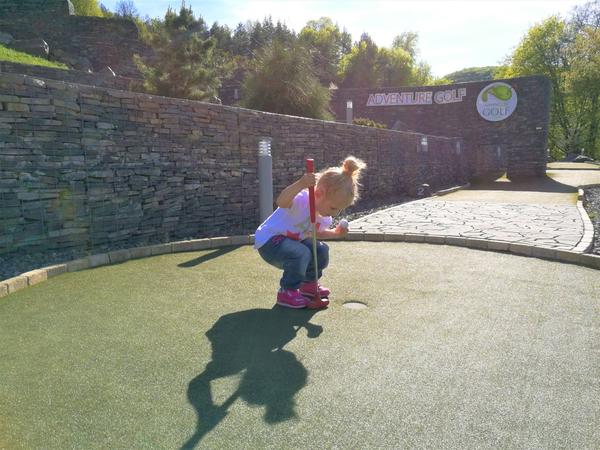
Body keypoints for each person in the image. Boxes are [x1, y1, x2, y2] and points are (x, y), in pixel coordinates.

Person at [254, 156, 366, 309]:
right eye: (333, 208)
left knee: (320, 250)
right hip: (269, 242)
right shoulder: (302, 200)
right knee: (302, 252)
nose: (335, 213)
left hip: (291, 244)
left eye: (339, 210)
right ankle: (287, 291)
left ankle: (308, 284)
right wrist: (301, 183)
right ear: (318, 193)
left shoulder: (323, 216)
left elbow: (315, 234)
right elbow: (281, 202)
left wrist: (335, 233)